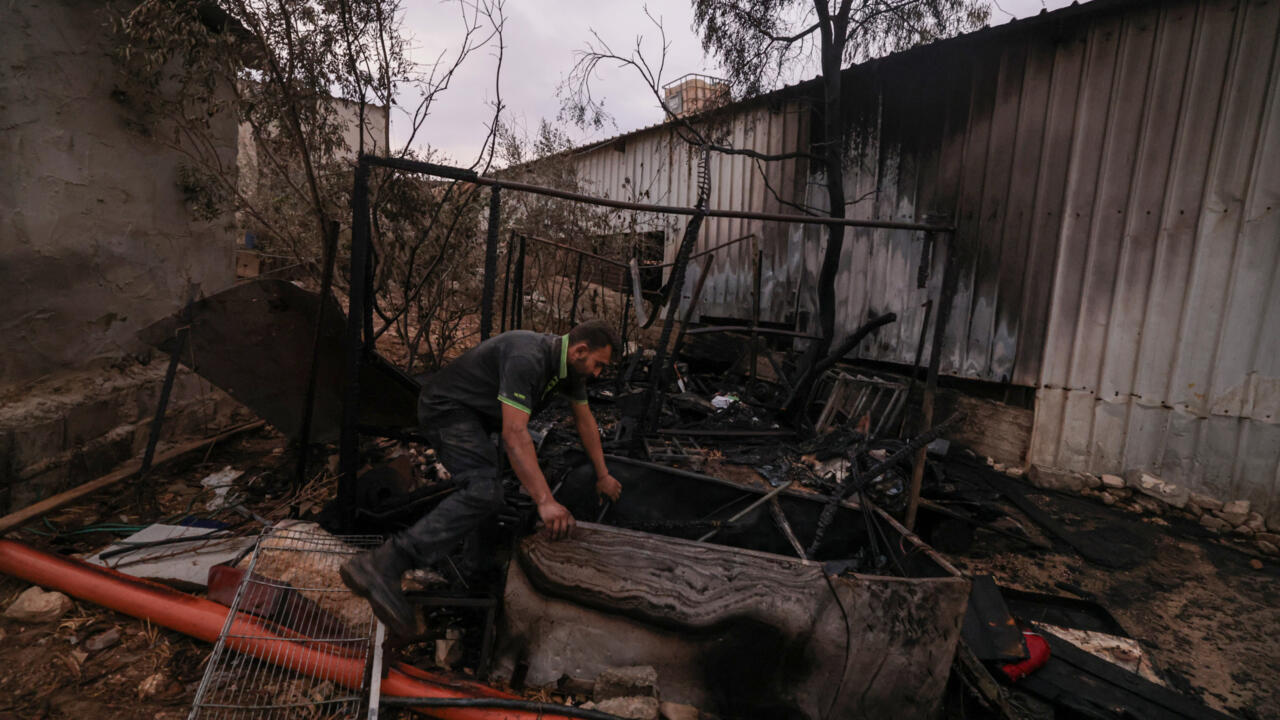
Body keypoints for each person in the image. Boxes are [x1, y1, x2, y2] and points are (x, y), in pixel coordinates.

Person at [340, 319, 623, 635]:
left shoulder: (568, 369)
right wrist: (545, 500)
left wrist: (603, 475)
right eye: (598, 365)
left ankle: (476, 577)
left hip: (475, 418)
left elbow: (585, 422)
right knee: (484, 490)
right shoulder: (527, 357)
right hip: (446, 409)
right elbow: (515, 433)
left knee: (491, 493)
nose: (598, 374)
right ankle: (383, 564)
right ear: (581, 350)